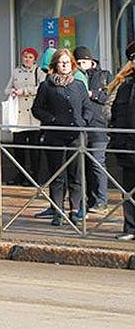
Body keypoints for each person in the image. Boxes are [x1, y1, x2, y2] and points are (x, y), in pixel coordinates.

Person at [31, 48, 89, 227]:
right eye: (60, 63)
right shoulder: (47, 85)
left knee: (76, 174)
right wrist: (52, 120)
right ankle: (57, 211)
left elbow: (87, 106)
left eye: (67, 62)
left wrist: (84, 120)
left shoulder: (78, 84)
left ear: (72, 65)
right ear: (55, 65)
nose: (64, 65)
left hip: (76, 134)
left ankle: (75, 211)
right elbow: (37, 109)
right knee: (57, 175)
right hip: (55, 135)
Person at [74, 46, 113, 213]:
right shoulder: (75, 76)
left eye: (84, 62)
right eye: (79, 63)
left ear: (91, 61)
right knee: (85, 165)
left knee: (97, 162)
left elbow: (110, 97)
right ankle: (89, 200)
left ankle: (101, 200)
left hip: (98, 126)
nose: (81, 65)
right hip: (81, 127)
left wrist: (92, 94)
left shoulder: (104, 76)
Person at [105, 41, 135, 241]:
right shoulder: (125, 85)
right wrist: (116, 137)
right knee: (129, 191)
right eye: (132, 58)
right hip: (127, 146)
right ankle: (131, 228)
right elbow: (115, 114)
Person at [5, 47, 46, 186]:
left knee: (34, 149)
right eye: (25, 57)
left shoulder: (38, 71)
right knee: (19, 147)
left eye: (30, 57)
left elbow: (42, 88)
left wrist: (25, 91)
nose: (27, 59)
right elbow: (6, 88)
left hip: (33, 116)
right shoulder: (16, 71)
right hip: (19, 115)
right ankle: (20, 174)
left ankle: (34, 176)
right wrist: (13, 91)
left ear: (34, 59)